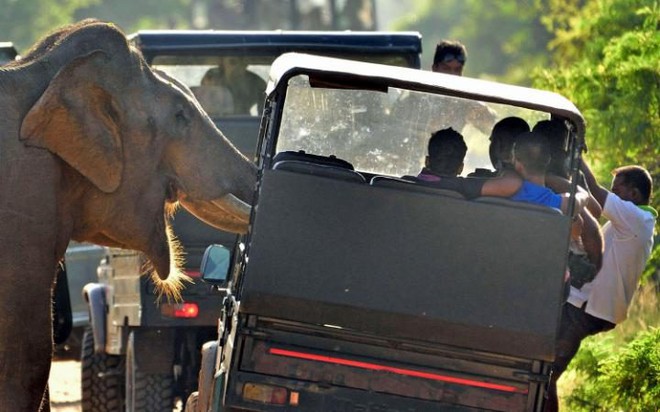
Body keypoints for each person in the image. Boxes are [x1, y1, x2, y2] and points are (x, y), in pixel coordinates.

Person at [545, 161, 657, 412]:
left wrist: (574, 164)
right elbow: (592, 208)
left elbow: (594, 190)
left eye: (617, 190)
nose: (613, 193)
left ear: (634, 194)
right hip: (592, 307)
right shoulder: (632, 223)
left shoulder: (636, 219)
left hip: (588, 308)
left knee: (546, 373)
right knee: (545, 370)